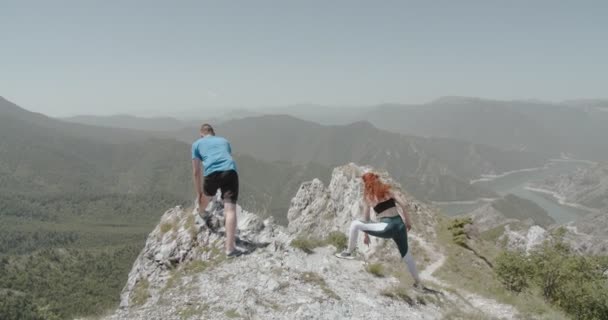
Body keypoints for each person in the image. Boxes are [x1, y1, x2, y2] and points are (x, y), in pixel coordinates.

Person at [336, 172, 421, 288]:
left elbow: (366, 219)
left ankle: (348, 252)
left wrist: (366, 235)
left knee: (355, 224)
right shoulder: (389, 191)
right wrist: (408, 222)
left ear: (366, 184)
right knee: (406, 255)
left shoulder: (368, 197)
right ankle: (418, 282)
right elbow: (404, 205)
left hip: (387, 227)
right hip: (400, 226)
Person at [192, 123, 243, 257]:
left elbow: (196, 171)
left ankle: (201, 213)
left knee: (206, 197)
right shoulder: (224, 141)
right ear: (213, 133)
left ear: (201, 134)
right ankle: (230, 249)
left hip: (211, 173)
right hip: (230, 171)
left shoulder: (197, 144)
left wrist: (199, 193)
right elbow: (226, 156)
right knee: (230, 209)